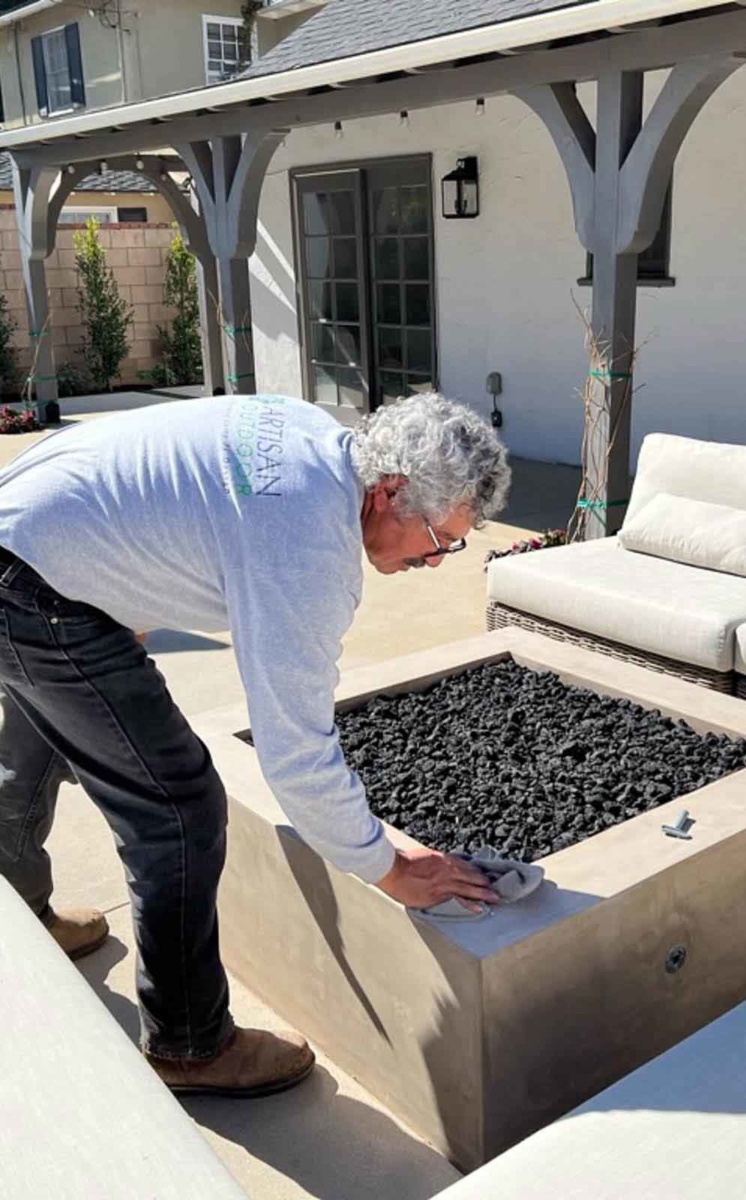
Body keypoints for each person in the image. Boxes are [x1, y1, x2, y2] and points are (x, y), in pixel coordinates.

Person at [0, 391, 510, 1098]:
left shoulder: (312, 437)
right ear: (389, 492)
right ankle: (190, 1046)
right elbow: (295, 753)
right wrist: (387, 867)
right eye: (438, 537)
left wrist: (124, 587)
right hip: (36, 588)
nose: (440, 560)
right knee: (177, 807)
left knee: (48, 726)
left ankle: (21, 916)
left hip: (26, 538)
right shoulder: (307, 547)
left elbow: (180, 495)